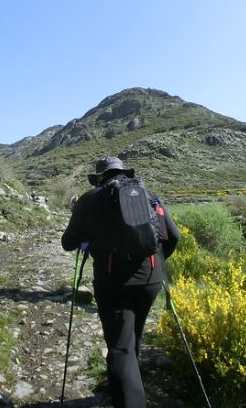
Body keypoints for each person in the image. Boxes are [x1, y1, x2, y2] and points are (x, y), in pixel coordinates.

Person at [61, 156, 180, 408]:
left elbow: (68, 243)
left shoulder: (89, 199)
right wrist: (153, 263)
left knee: (120, 347)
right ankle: (122, 384)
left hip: (113, 281)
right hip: (151, 278)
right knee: (132, 335)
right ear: (123, 173)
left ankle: (127, 393)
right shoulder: (149, 194)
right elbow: (174, 237)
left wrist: (84, 221)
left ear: (99, 177)